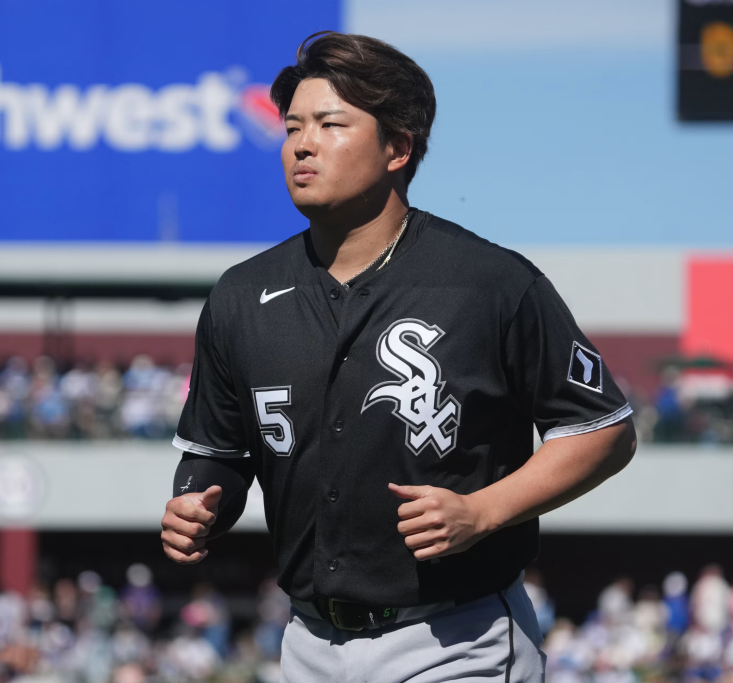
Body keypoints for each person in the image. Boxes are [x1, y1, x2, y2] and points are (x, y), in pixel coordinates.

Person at [160, 31, 636, 682]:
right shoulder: (242, 295)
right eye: (293, 127)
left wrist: (484, 510)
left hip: (456, 638)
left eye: (330, 124)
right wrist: (197, 501)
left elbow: (603, 429)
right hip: (307, 642)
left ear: (398, 148)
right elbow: (220, 452)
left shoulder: (489, 282)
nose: (302, 144)